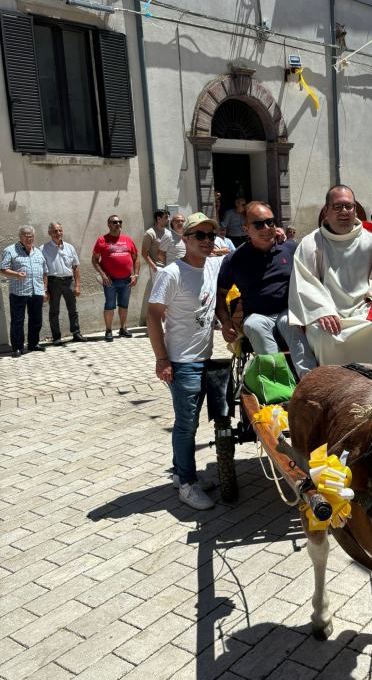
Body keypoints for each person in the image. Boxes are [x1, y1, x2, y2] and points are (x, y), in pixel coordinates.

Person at [289, 185, 372, 381]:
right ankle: (337, 387)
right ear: (326, 210)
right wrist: (322, 310)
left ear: (355, 210)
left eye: (349, 207)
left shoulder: (371, 237)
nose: (344, 212)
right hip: (331, 315)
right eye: (337, 207)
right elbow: (304, 282)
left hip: (366, 310)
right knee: (326, 337)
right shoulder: (311, 243)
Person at [147, 213, 223, 510]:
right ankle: (188, 486)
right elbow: (153, 316)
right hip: (181, 362)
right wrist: (161, 359)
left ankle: (182, 474)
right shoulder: (171, 273)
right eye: (199, 236)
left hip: (205, 358)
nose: (207, 240)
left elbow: (236, 257)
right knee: (186, 425)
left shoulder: (214, 265)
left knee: (190, 424)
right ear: (185, 239)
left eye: (210, 235)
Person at [216, 202, 316, 378]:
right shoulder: (235, 259)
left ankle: (310, 382)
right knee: (253, 326)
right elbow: (221, 294)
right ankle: (279, 383)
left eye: (270, 222)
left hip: (288, 310)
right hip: (257, 314)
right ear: (246, 229)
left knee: (292, 324)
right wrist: (225, 323)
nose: (267, 227)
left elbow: (313, 278)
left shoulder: (291, 249)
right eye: (259, 224)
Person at [1, 225, 48, 357]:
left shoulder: (38, 251)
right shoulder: (10, 250)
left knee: (36, 320)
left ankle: (33, 344)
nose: (28, 238)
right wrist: (16, 275)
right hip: (19, 292)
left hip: (37, 291)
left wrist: (44, 290)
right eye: (25, 236)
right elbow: (3, 268)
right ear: (20, 236)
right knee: (17, 321)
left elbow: (45, 272)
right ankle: (17, 347)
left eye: (31, 236)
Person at [91, 215, 139, 342]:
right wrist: (103, 275)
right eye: (114, 222)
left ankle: (123, 328)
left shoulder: (127, 240)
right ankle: (108, 330)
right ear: (109, 225)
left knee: (124, 305)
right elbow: (95, 260)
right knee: (110, 305)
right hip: (110, 280)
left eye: (119, 222)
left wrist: (135, 275)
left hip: (127, 279)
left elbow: (136, 258)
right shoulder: (102, 240)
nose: (118, 224)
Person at [40, 222, 86, 346]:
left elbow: (75, 267)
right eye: (55, 231)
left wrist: (77, 285)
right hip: (53, 282)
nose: (58, 233)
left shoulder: (70, 247)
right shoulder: (43, 249)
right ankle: (56, 337)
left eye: (60, 230)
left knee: (73, 309)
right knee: (54, 311)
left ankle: (76, 333)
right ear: (49, 233)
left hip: (68, 281)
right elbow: (42, 271)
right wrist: (45, 289)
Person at [141, 209, 170, 281]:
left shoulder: (168, 233)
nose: (168, 219)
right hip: (158, 268)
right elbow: (144, 253)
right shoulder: (150, 233)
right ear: (158, 219)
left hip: (169, 267)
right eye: (166, 217)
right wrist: (154, 267)